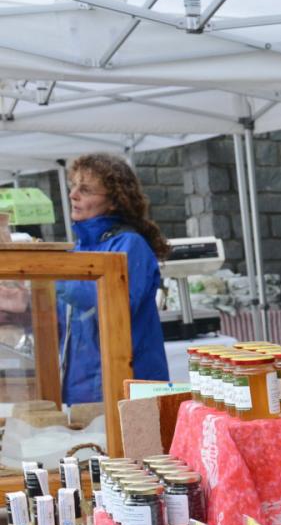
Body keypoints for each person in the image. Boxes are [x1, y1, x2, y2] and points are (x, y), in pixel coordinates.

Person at [0, 154, 168, 403]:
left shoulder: (130, 245)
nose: (73, 195)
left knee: (130, 442)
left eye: (86, 190)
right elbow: (68, 317)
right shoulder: (81, 248)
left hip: (126, 385)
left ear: (114, 201)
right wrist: (25, 303)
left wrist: (49, 275)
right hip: (81, 385)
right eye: (73, 186)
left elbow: (107, 302)